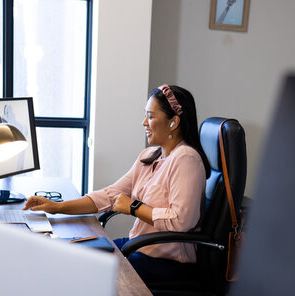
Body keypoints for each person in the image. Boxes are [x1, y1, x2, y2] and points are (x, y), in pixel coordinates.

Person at [23, 84, 210, 282]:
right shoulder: (149, 156)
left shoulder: (186, 159)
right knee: (75, 253)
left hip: (170, 263)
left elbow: (182, 221)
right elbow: (109, 195)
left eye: (151, 116)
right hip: (140, 247)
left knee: (87, 272)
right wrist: (57, 207)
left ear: (173, 122)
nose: (144, 122)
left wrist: (134, 208)